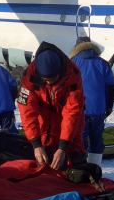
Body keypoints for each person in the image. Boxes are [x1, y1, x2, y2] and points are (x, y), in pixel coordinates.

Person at [17, 42, 85, 170]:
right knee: (44, 163)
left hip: (70, 127)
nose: (50, 83)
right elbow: (27, 111)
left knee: (75, 159)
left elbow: (73, 111)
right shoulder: (29, 77)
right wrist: (36, 144)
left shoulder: (73, 74)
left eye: (53, 80)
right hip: (44, 126)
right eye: (47, 81)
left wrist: (63, 147)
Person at [70, 38, 114, 166]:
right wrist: (109, 106)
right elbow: (111, 86)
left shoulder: (73, 63)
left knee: (79, 140)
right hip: (98, 109)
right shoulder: (103, 63)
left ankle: (80, 169)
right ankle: (95, 169)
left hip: (79, 109)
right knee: (96, 140)